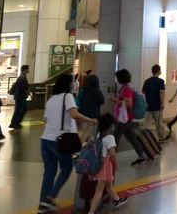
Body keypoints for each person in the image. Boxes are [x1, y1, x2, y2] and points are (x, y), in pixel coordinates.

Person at [37, 74, 97, 213]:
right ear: (68, 84)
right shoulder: (68, 96)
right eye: (73, 82)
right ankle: (50, 197)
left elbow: (45, 120)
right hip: (59, 141)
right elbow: (74, 114)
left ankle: (42, 205)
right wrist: (91, 120)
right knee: (67, 168)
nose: (74, 84)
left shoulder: (51, 99)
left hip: (45, 139)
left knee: (49, 173)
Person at [87, 113, 129, 213]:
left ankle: (117, 200)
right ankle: (91, 212)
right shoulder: (110, 138)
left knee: (109, 184)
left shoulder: (97, 135)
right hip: (104, 164)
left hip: (97, 163)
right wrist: (116, 164)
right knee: (99, 190)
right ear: (110, 125)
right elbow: (112, 154)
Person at [110, 69, 147, 166]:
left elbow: (128, 103)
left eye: (117, 77)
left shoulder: (126, 89)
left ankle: (110, 160)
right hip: (124, 118)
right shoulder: (123, 88)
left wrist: (115, 100)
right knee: (131, 138)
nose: (116, 79)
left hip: (124, 119)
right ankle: (141, 155)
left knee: (115, 138)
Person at [142, 64, 169, 142]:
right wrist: (163, 103)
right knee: (158, 123)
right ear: (158, 71)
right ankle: (162, 137)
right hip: (157, 105)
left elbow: (143, 91)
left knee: (147, 123)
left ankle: (145, 137)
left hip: (148, 105)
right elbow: (162, 92)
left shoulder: (147, 81)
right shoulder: (160, 81)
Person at [78, 74, 105, 143]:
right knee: (92, 135)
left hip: (84, 116)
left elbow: (80, 101)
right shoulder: (97, 91)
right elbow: (102, 101)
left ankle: (80, 148)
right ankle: (90, 150)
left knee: (84, 133)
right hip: (94, 116)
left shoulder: (83, 90)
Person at [9, 64, 30, 129]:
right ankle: (14, 123)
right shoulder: (22, 78)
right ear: (25, 69)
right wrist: (28, 91)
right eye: (27, 69)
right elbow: (23, 88)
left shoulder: (22, 77)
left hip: (19, 96)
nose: (28, 70)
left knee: (22, 109)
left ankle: (16, 122)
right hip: (20, 97)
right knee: (19, 110)